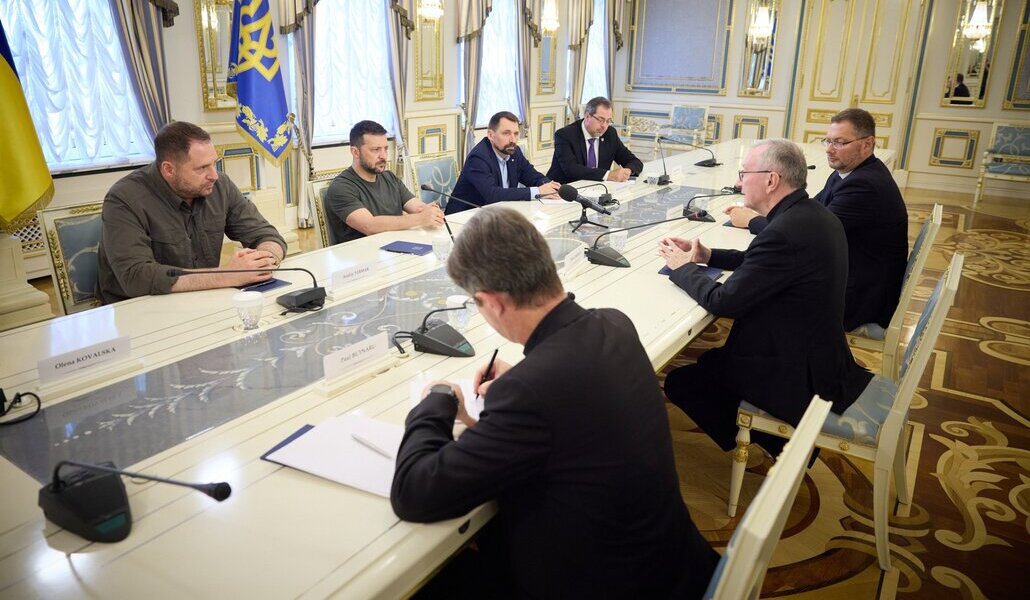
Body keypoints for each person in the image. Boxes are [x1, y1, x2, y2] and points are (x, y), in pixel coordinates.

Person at [392, 207, 718, 598]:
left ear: (491, 302)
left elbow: (415, 493)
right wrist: (521, 382)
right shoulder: (614, 324)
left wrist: (439, 401)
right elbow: (569, 424)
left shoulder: (532, 391)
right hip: (673, 566)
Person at [659, 139, 872, 456]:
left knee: (681, 380)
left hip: (794, 374)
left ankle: (773, 437)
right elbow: (761, 262)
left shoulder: (784, 231)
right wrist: (707, 254)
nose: (738, 181)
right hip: (823, 358)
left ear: (771, 180)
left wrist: (680, 268)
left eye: (745, 173)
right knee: (709, 361)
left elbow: (724, 302)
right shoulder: (809, 213)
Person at [724, 108, 908, 333]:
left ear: (867, 144)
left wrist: (752, 220)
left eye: (839, 142)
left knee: (753, 296)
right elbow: (807, 216)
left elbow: (808, 235)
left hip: (858, 299)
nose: (829, 150)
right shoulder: (847, 173)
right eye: (827, 141)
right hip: (855, 277)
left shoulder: (864, 186)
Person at [96, 121, 286, 304]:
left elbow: (267, 235)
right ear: (169, 170)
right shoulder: (124, 199)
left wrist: (264, 260)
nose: (214, 175)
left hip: (201, 299)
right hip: (137, 309)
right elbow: (136, 277)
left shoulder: (220, 186)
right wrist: (226, 275)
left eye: (214, 163)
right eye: (202, 168)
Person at [324, 120, 444, 245]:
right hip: (362, 255)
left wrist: (430, 212)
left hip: (398, 248)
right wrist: (420, 218)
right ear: (355, 152)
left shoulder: (389, 177)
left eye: (385, 149)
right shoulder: (341, 187)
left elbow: (417, 207)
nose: (384, 156)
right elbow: (369, 226)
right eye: (376, 150)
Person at [447, 111, 559, 214]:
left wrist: (550, 186)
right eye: (506, 133)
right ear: (491, 135)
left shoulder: (515, 152)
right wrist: (538, 191)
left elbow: (532, 175)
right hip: (465, 217)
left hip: (499, 213)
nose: (513, 140)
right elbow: (492, 194)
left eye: (516, 134)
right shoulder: (478, 157)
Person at [545, 96, 643, 184]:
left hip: (596, 190)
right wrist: (609, 175)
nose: (604, 125)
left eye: (608, 121)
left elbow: (634, 161)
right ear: (587, 116)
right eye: (601, 120)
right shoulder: (565, 135)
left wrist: (627, 171)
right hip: (563, 191)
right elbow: (572, 170)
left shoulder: (610, 133)